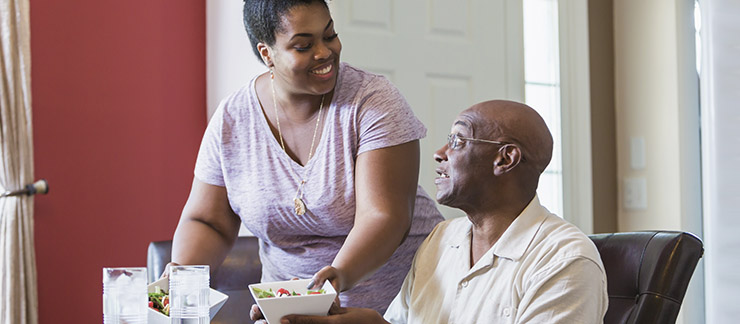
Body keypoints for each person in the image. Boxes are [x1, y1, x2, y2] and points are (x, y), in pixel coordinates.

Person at [166, 0, 444, 314]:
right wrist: (183, 276)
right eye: (303, 45)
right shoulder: (233, 118)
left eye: (329, 35)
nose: (324, 52)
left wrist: (335, 279)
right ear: (266, 54)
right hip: (291, 310)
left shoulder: (374, 102)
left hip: (401, 306)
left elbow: (386, 217)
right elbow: (209, 220)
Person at [271, 100, 609, 323]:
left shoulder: (565, 260)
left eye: (459, 140)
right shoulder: (441, 239)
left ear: (505, 159)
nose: (440, 152)